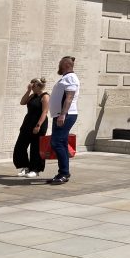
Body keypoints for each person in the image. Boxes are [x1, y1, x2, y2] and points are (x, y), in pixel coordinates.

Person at [47, 56, 79, 185]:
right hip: (61, 114)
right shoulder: (65, 78)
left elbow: (69, 98)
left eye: (60, 63)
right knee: (61, 143)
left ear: (66, 64)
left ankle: (64, 173)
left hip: (66, 115)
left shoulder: (71, 78)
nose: (58, 66)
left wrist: (62, 114)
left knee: (57, 142)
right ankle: (63, 172)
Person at [14, 77, 49, 178]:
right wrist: (28, 91)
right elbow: (22, 102)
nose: (32, 87)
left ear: (38, 85)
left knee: (36, 147)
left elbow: (45, 112)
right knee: (20, 146)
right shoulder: (32, 95)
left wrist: (38, 125)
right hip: (27, 123)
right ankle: (26, 166)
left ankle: (35, 169)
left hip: (38, 124)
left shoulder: (45, 96)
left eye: (33, 85)